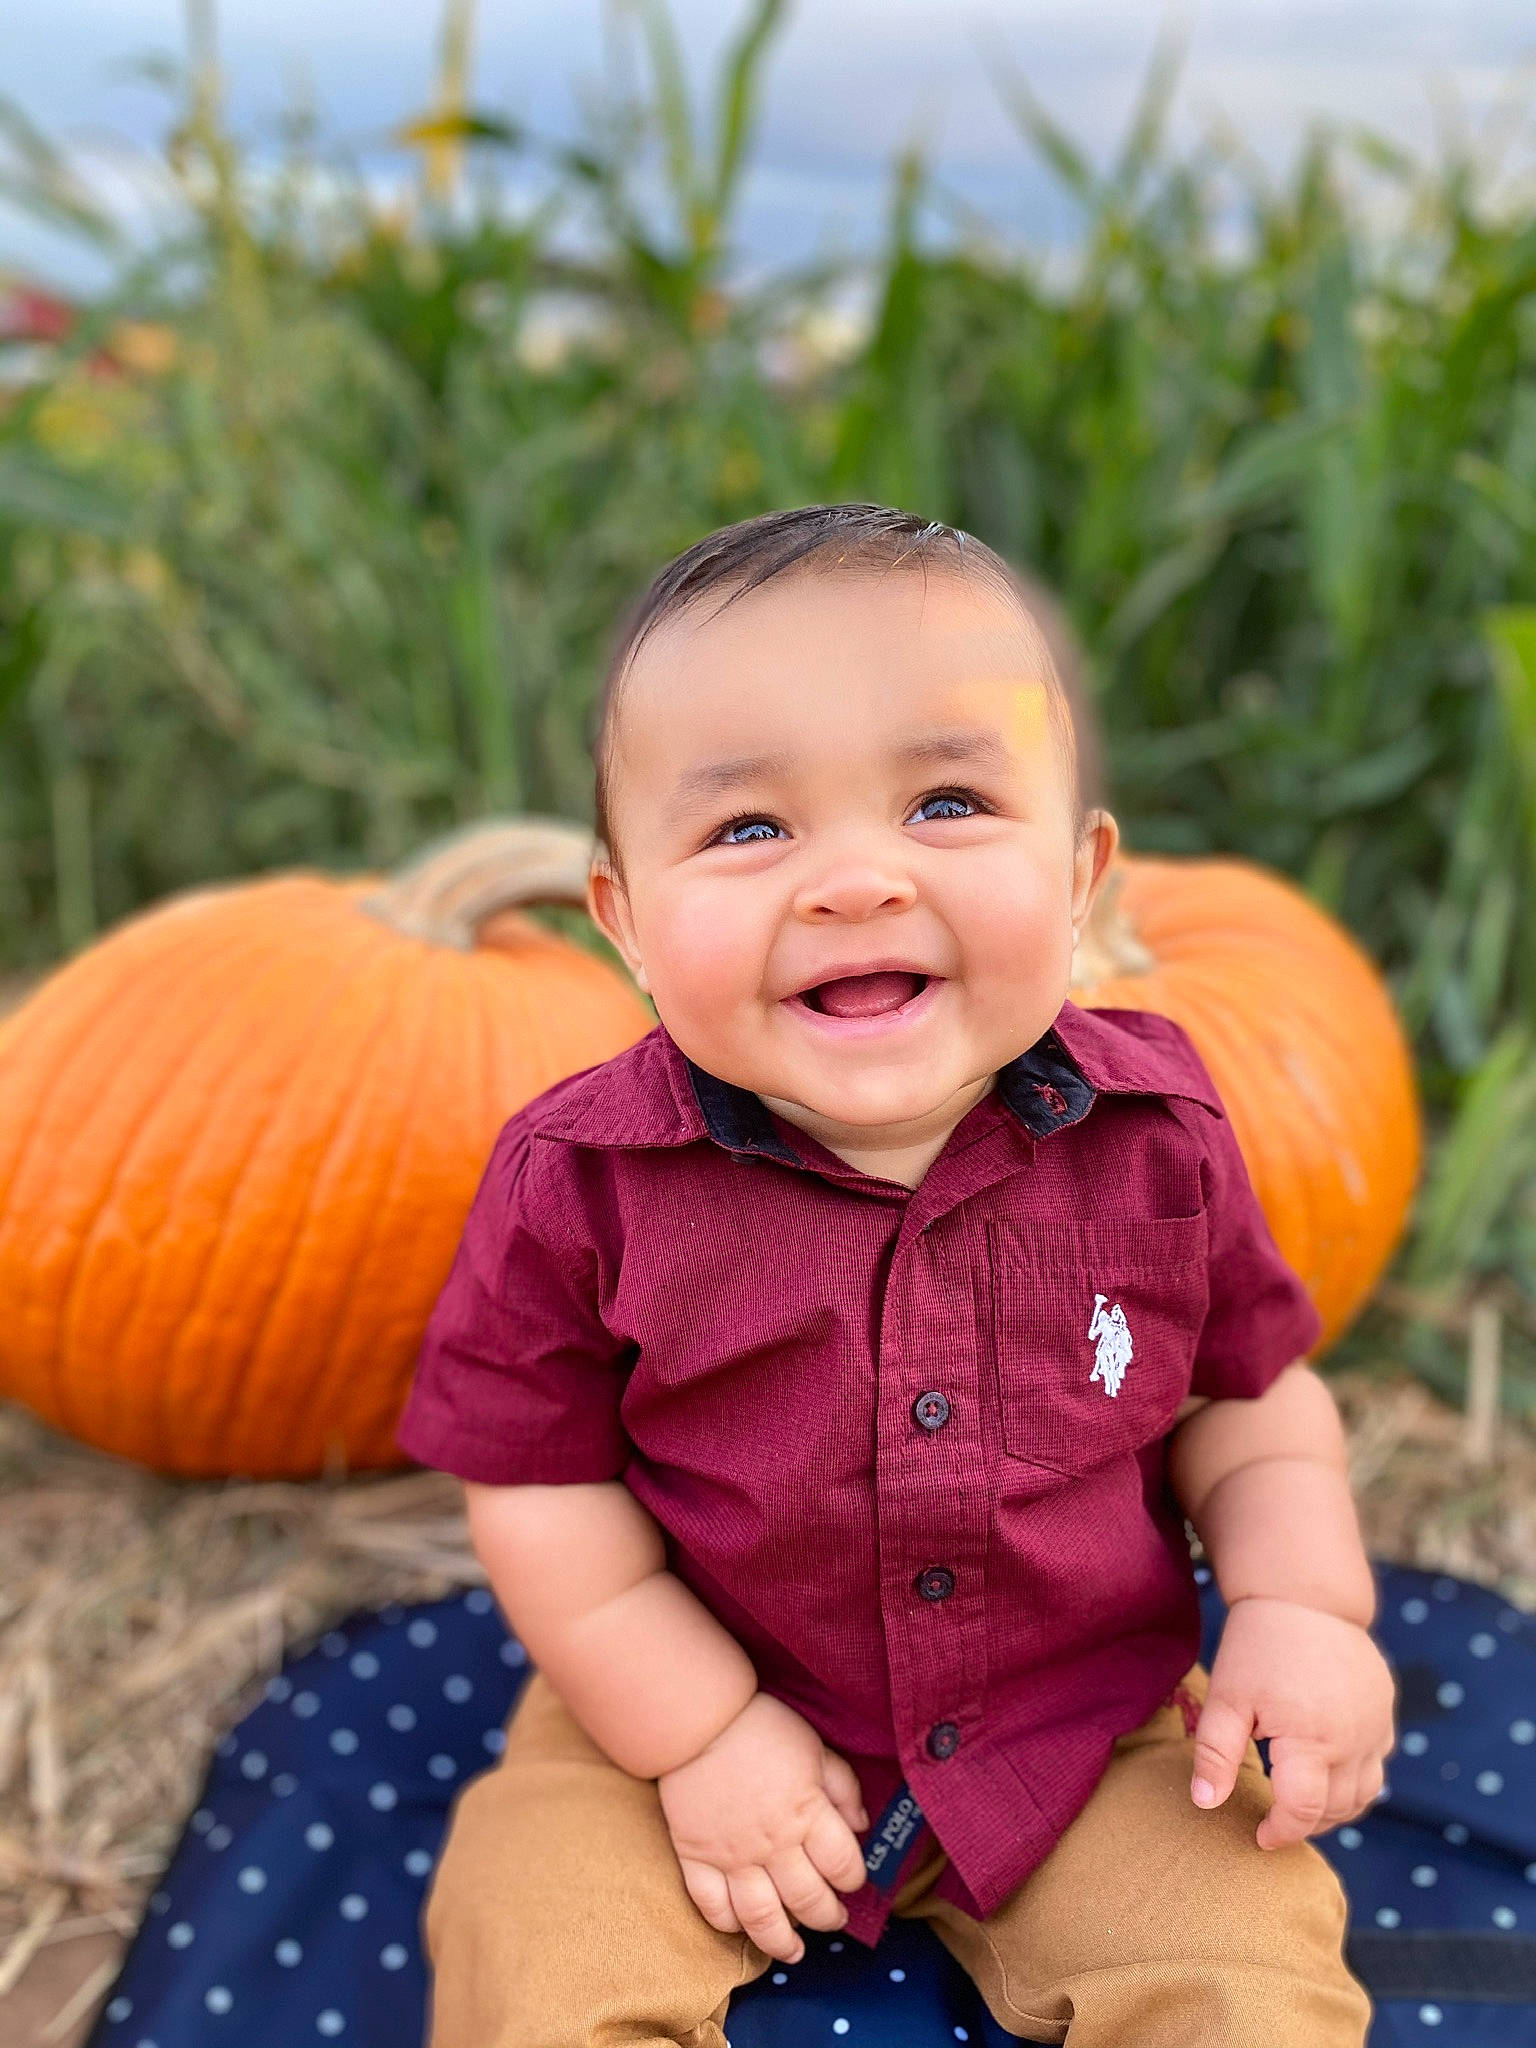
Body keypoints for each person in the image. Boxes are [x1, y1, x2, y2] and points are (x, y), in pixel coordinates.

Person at [397, 503, 1393, 2046]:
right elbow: (540, 1487)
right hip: (682, 1715)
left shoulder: (1161, 1134)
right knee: (537, 1938)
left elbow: (1245, 1399)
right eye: (747, 830)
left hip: (1083, 1728)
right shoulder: (579, 1182)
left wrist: (1300, 1602)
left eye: (944, 802)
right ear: (625, 923)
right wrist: (697, 1730)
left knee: (1248, 1965)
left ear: (1080, 878)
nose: (855, 882)